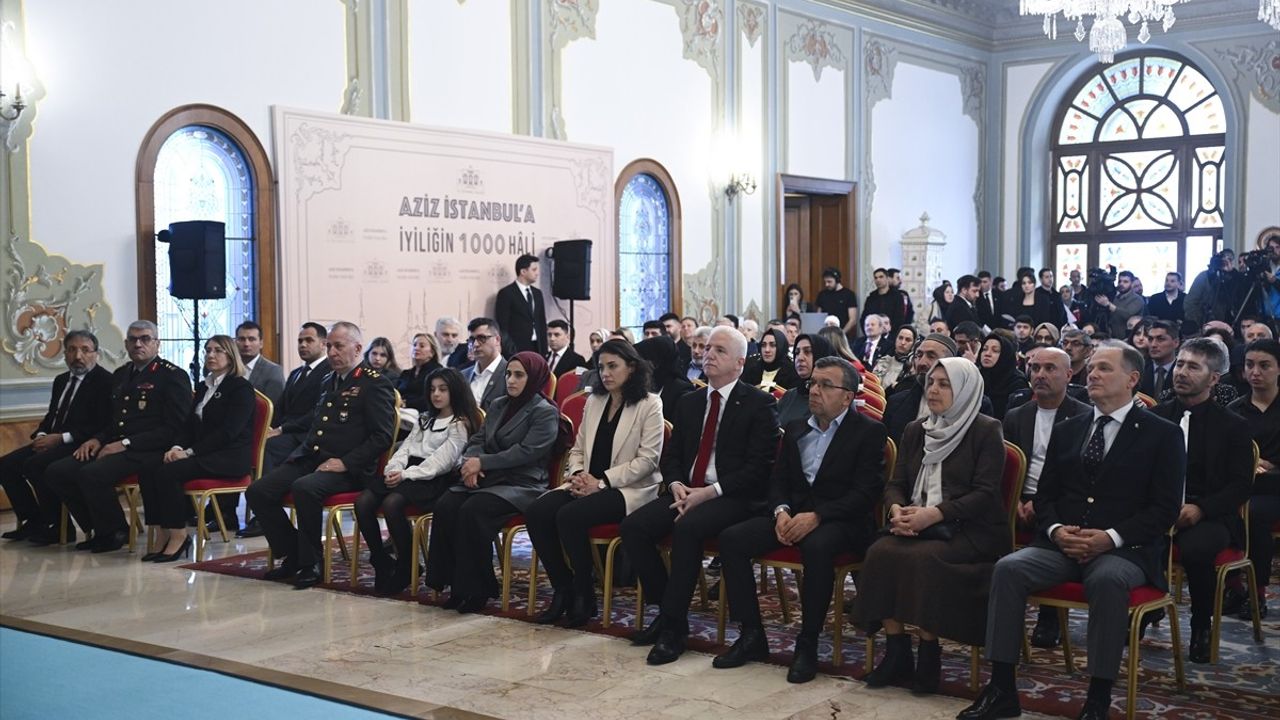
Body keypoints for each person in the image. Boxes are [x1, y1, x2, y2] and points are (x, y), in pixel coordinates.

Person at [965, 341, 1184, 720]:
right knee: (1008, 569)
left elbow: (1164, 510)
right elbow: (1046, 495)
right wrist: (1053, 530)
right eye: (1092, 368)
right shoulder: (1071, 429)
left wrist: (1109, 538)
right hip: (1062, 545)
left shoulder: (1161, 434)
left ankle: (1097, 700)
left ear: (1132, 379)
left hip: (1124, 550)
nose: (1093, 375)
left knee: (1107, 581)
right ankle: (1001, 687)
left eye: (1104, 369)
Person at [714, 356, 886, 682]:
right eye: (813, 384)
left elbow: (865, 494)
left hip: (842, 520)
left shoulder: (868, 432)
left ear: (847, 396)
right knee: (732, 539)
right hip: (793, 514)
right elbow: (778, 480)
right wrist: (780, 511)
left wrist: (818, 516)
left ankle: (807, 643)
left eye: (825, 385)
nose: (815, 391)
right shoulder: (795, 428)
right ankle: (752, 635)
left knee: (817, 547)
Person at [620, 327, 779, 665]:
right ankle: (667, 610)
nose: (708, 355)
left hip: (734, 496)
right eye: (707, 348)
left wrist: (710, 492)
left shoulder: (758, 403)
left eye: (719, 350)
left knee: (688, 528)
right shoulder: (690, 401)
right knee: (634, 527)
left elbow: (758, 469)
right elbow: (673, 455)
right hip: (686, 491)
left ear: (738, 363)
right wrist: (676, 483)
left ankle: (674, 630)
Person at [854, 358, 1009, 695]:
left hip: (971, 529)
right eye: (931, 382)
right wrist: (897, 508)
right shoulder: (916, 429)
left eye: (944, 384)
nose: (934, 389)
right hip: (918, 521)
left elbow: (985, 494)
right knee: (879, 552)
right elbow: (896, 483)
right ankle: (897, 651)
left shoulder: (986, 430)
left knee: (924, 559)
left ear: (966, 389)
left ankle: (928, 652)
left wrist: (934, 514)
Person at [246, 322, 396, 589]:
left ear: (358, 348)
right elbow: (319, 423)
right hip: (314, 457)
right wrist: (300, 455)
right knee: (258, 490)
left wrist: (345, 463)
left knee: (304, 488)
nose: (332, 352)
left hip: (351, 469)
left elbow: (381, 437)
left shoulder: (374, 383)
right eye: (329, 346)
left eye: (339, 346)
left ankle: (311, 562)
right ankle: (293, 553)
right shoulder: (329, 380)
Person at [526, 340, 664, 626]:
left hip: (627, 489)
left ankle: (584, 593)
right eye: (601, 367)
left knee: (569, 516)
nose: (605, 373)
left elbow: (647, 461)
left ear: (632, 367)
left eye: (613, 366)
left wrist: (601, 483)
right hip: (586, 482)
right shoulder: (595, 401)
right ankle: (562, 587)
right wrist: (578, 475)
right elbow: (577, 449)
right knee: (537, 512)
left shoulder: (649, 404)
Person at [424, 352, 561, 612]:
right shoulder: (499, 404)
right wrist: (472, 463)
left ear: (534, 377)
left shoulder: (545, 412)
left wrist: (482, 463)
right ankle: (453, 584)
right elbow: (478, 439)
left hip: (523, 484)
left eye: (519, 375)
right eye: (509, 374)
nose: (511, 380)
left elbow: (526, 452)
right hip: (490, 477)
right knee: (446, 505)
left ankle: (477, 590)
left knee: (472, 510)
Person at [44, 320, 192, 553]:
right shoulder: (122, 374)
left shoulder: (172, 376)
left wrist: (125, 444)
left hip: (148, 449)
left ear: (157, 344)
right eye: (133, 339)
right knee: (58, 471)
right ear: (126, 344)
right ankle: (96, 527)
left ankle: (115, 531)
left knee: (91, 474)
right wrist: (97, 439)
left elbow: (174, 427)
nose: (138, 344)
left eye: (145, 339)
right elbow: (115, 421)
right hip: (116, 444)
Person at [1148, 337, 1253, 662]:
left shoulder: (1233, 426)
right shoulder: (1157, 417)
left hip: (1211, 514)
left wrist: (1200, 508)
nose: (1181, 372)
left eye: (1193, 366)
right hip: (1160, 509)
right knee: (1134, 538)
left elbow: (1240, 486)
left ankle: (1200, 625)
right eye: (1179, 363)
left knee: (1195, 548)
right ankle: (1144, 609)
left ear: (1213, 378)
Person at [356, 367, 480, 595]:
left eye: (443, 389)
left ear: (455, 391)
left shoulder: (459, 424)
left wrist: (406, 474)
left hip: (432, 478)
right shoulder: (425, 418)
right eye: (432, 389)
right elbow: (405, 449)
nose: (436, 394)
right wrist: (394, 469)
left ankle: (406, 564)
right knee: (363, 502)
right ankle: (381, 559)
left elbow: (441, 461)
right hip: (408, 470)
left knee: (392, 503)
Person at [1001, 346, 1092, 648]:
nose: (1040, 375)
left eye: (1050, 368)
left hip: (1059, 499)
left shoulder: (1085, 417)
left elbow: (1078, 478)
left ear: (1069, 374)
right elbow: (1006, 466)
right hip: (1019, 494)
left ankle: (1049, 616)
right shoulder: (1017, 415)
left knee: (1059, 522)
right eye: (1035, 368)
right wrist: (1014, 500)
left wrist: (1039, 503)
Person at [138, 335, 255, 563]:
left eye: (218, 351)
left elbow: (228, 433)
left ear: (231, 356)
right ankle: (162, 532)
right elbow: (189, 426)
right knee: (148, 467)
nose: (211, 355)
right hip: (204, 453)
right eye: (208, 350)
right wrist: (177, 446)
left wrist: (189, 453)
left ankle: (179, 535)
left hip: (228, 457)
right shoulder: (204, 386)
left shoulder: (240, 388)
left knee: (168, 473)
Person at [2, 330, 112, 544]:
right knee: (6, 465)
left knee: (36, 465)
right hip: (53, 440)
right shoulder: (61, 380)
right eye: (72, 350)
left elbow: (102, 424)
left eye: (85, 350)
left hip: (81, 442)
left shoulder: (105, 382)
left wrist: (61, 438)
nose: (78, 356)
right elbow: (53, 415)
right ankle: (33, 520)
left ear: (96, 354)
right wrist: (43, 434)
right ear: (65, 354)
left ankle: (57, 526)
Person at [239, 322, 331, 539]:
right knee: (260, 441)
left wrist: (281, 429)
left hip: (307, 435)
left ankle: (266, 506)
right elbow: (279, 407)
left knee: (269, 447)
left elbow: (316, 413)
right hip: (289, 432)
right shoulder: (297, 373)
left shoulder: (328, 372)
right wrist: (269, 427)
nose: (303, 345)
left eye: (309, 340)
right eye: (300, 341)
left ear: (323, 343)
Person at [1225, 339, 1280, 622]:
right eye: (1249, 365)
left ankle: (1256, 592)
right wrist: (1250, 463)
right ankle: (1232, 584)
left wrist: (1270, 467)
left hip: (1275, 489)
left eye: (1264, 365)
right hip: (1244, 484)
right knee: (1221, 506)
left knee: (1253, 514)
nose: (1255, 372)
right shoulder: (1235, 409)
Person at [494, 253, 548, 355]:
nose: (537, 273)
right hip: (516, 349)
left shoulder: (537, 293)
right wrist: (509, 350)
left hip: (537, 347)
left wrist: (544, 351)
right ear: (523, 271)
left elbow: (541, 322)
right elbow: (502, 326)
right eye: (534, 270)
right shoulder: (506, 293)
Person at [635, 335, 696, 423]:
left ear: (656, 363)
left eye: (642, 362)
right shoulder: (645, 385)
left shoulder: (682, 392)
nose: (638, 368)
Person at [978, 334, 1029, 420]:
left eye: (995, 351)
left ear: (1005, 354)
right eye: (984, 349)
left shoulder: (1016, 381)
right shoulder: (977, 376)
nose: (987, 354)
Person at [463, 317, 508, 411]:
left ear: (497, 340)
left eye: (482, 338)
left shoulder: (509, 374)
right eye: (472, 339)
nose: (475, 344)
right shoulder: (463, 375)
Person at [235, 320, 284, 405]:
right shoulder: (229, 369)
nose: (246, 344)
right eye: (242, 339)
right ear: (235, 342)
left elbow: (274, 408)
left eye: (251, 339)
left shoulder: (273, 371)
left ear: (261, 343)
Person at [397, 332, 443, 413]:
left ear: (432, 352)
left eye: (422, 346)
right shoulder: (406, 373)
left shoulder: (437, 371)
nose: (416, 348)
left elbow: (432, 397)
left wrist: (406, 403)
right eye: (414, 345)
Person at [1138, 319, 1180, 400]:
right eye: (1150, 339)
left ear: (1176, 342)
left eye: (1160, 339)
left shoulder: (1184, 372)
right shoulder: (1139, 370)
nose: (1153, 345)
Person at [1097, 270, 1146, 338]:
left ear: (1132, 284)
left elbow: (1127, 314)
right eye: (1120, 281)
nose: (1121, 284)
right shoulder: (1116, 297)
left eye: (1125, 282)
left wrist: (1108, 304)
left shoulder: (1137, 299)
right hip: (1112, 337)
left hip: (1129, 337)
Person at [814, 268, 859, 337]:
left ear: (837, 280)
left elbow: (852, 320)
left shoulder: (849, 295)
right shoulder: (822, 294)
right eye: (825, 282)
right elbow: (818, 316)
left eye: (829, 282)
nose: (826, 284)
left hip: (843, 335)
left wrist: (841, 333)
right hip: (825, 334)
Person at [873, 325, 918, 391]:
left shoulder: (914, 367)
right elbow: (873, 386)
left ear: (913, 344)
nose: (903, 343)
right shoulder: (884, 361)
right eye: (900, 338)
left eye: (908, 340)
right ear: (895, 339)